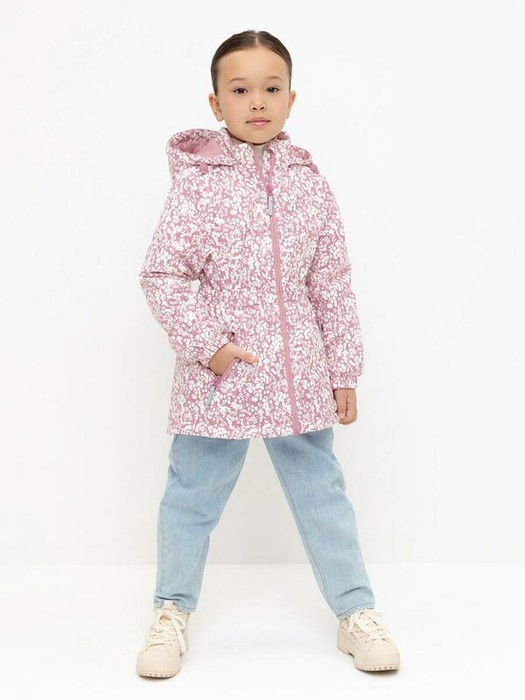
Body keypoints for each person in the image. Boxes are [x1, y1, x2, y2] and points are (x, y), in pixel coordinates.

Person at [135, 29, 400, 678]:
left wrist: (342, 369)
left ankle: (355, 612)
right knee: (190, 497)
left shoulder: (309, 183)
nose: (257, 101)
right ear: (216, 102)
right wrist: (212, 349)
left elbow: (330, 281)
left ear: (291, 98)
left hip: (298, 374)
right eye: (240, 89)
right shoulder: (198, 186)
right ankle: (171, 611)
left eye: (271, 88)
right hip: (217, 381)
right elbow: (164, 274)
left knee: (322, 496)